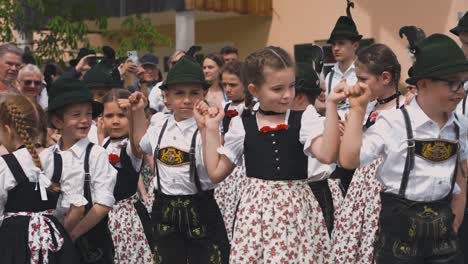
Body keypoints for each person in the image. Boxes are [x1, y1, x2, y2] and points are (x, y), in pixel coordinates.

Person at [196, 46, 346, 263]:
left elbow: (327, 155)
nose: (287, 95)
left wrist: (331, 105)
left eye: (292, 86)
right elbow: (216, 173)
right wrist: (210, 129)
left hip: (297, 212)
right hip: (256, 214)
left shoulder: (303, 117)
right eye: (277, 89)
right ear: (254, 90)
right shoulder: (242, 124)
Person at [340, 34, 467, 264]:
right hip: (400, 241)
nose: (460, 90)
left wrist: (456, 218)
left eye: (463, 82)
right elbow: (349, 160)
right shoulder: (393, 122)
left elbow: (462, 174)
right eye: (452, 83)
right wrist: (357, 110)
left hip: (443, 241)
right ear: (423, 84)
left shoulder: (461, 126)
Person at [129, 55, 230, 264]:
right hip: (163, 207)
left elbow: (214, 167)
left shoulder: (209, 125)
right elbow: (140, 146)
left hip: (200, 206)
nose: (186, 100)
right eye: (179, 93)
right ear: (166, 97)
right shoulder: (158, 123)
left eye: (194, 93)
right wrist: (138, 112)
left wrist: (206, 129)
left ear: (204, 94)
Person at [331, 43, 404, 263]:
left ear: (385, 78)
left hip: (383, 188)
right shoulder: (367, 108)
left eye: (363, 79)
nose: (358, 85)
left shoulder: (403, 111)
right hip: (360, 187)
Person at [0, 94, 81, 263]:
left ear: (7, 129)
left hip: (13, 246)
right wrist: (56, 230)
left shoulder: (4, 165)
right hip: (54, 244)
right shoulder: (64, 160)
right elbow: (78, 207)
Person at [48, 77, 117, 264]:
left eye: (88, 114)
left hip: (90, 241)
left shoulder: (96, 154)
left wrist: (73, 234)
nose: (84, 120)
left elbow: (103, 203)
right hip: (53, 240)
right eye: (76, 114)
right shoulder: (47, 157)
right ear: (57, 121)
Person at [101, 89, 153, 263]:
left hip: (128, 219)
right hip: (104, 215)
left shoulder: (130, 147)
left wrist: (135, 113)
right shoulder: (104, 143)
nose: (115, 121)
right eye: (109, 116)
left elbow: (139, 144)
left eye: (121, 116)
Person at [213, 60, 251, 243]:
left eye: (233, 85)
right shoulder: (225, 109)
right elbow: (221, 142)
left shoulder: (254, 109)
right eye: (224, 84)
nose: (227, 89)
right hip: (227, 172)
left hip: (247, 173)